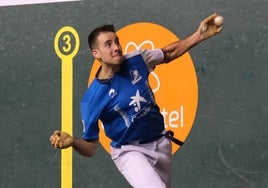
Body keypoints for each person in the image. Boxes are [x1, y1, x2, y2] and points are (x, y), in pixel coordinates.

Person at [50, 13, 223, 188]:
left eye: (116, 41)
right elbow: (91, 147)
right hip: (128, 151)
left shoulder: (137, 60)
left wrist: (199, 35)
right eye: (108, 44)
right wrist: (73, 142)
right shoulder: (92, 99)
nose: (116, 47)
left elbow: (168, 54)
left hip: (160, 143)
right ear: (96, 53)